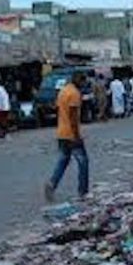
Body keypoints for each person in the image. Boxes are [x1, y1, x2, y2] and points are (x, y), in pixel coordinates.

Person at [45, 71, 89, 201]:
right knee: (83, 162)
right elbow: (73, 117)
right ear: (79, 80)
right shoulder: (74, 94)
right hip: (71, 134)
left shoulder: (63, 91)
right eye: (83, 81)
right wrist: (77, 136)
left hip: (61, 133)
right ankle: (83, 191)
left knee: (63, 160)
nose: (84, 84)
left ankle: (52, 183)